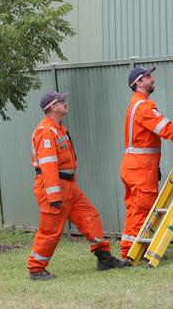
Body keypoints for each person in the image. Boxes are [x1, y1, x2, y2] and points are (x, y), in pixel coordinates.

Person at [27, 91, 124, 280]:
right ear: (53, 107)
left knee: (90, 216)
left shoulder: (58, 129)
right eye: (61, 101)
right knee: (50, 231)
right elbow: (48, 166)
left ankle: (103, 258)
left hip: (68, 187)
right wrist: (54, 195)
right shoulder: (46, 132)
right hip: (53, 188)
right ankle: (36, 269)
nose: (65, 103)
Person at [120, 67, 173, 263]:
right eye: (148, 77)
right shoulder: (143, 106)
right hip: (140, 167)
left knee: (134, 209)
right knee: (142, 209)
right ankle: (134, 253)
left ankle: (129, 250)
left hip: (134, 165)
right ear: (139, 83)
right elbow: (164, 129)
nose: (152, 79)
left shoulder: (137, 105)